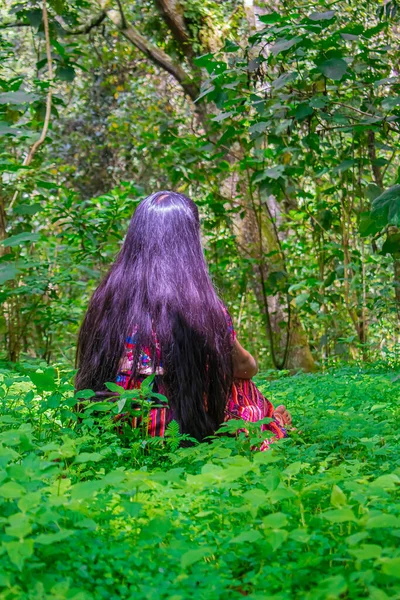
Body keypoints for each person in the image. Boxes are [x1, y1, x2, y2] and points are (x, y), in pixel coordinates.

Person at [75, 191, 291, 447]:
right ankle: (268, 425)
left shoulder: (106, 299)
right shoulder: (202, 306)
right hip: (177, 428)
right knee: (243, 388)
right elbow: (244, 366)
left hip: (116, 424)